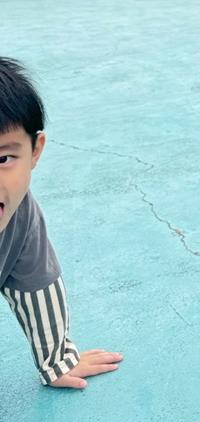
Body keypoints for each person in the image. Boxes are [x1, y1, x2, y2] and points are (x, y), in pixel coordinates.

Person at [0, 57, 123, 389]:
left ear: (35, 151)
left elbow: (36, 284)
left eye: (3, 158)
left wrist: (56, 361)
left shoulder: (20, 217)